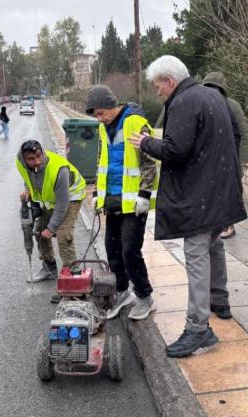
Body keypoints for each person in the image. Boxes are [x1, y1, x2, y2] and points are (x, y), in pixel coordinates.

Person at [129, 55, 247, 357]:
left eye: (158, 87)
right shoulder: (213, 95)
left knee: (196, 256)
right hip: (221, 191)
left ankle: (198, 329)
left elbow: (174, 150)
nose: (158, 93)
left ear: (170, 81)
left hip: (200, 196)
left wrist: (144, 143)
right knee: (214, 247)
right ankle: (219, 300)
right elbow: (233, 137)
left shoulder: (184, 101)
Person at [85, 85, 159, 321]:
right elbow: (101, 162)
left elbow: (149, 162)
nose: (99, 118)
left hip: (134, 201)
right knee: (112, 249)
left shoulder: (136, 123)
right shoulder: (102, 128)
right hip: (113, 200)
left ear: (110, 105)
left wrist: (144, 194)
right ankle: (122, 291)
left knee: (130, 250)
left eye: (100, 113)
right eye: (96, 115)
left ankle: (145, 296)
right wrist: (98, 192)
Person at [15, 140, 86, 302]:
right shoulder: (20, 163)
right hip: (51, 200)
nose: (37, 161)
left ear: (42, 152)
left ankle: (72, 281)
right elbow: (28, 177)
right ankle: (49, 268)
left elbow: (62, 205)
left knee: (63, 235)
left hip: (71, 197)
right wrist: (27, 191)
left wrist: (52, 228)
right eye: (31, 159)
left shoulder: (59, 170)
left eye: (39, 156)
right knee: (39, 231)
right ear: (24, 159)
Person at [202, 71, 248, 239]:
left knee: (231, 192)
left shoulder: (231, 105)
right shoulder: (201, 104)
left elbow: (243, 133)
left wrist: (242, 160)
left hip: (231, 157)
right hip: (212, 157)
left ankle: (228, 224)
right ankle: (219, 223)